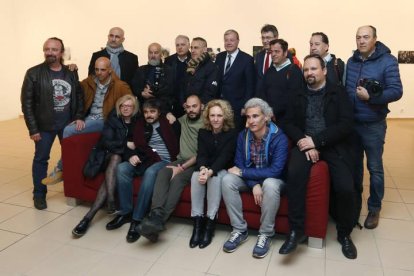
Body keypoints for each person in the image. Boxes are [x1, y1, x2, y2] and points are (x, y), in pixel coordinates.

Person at [279, 54, 358, 259]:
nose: (309, 73)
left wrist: (318, 141)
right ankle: (296, 231)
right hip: (304, 143)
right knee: (295, 175)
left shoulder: (338, 93)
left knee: (345, 187)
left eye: (313, 69)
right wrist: (305, 142)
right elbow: (288, 123)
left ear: (324, 71)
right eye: (306, 70)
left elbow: (346, 124)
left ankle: (344, 234)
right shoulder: (296, 93)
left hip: (332, 145)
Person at [345, 25, 403, 229]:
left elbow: (396, 91)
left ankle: (374, 208)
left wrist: (372, 97)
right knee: (355, 167)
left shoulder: (388, 61)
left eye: (366, 37)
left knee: (375, 168)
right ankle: (355, 204)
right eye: (358, 37)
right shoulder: (351, 62)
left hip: (373, 125)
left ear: (375, 39)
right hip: (352, 125)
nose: (361, 41)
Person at [42, 57, 132, 185]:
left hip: (105, 120)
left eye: (103, 70)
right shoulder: (90, 81)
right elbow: (75, 87)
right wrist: (72, 71)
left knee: (68, 130)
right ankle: (63, 167)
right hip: (89, 118)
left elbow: (130, 102)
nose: (99, 73)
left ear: (110, 70)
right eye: (96, 69)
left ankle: (60, 168)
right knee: (68, 128)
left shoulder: (119, 86)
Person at [21, 37, 83, 210]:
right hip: (44, 126)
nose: (50, 52)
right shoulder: (33, 73)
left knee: (71, 158)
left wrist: (78, 116)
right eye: (47, 49)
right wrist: (33, 128)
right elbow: (27, 104)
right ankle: (39, 194)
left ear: (61, 52)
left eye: (54, 49)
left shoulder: (70, 72)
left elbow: (78, 96)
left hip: (67, 126)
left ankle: (72, 190)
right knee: (41, 159)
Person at [221, 98, 288, 258]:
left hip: (273, 179)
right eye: (248, 117)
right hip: (251, 179)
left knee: (270, 184)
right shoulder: (242, 136)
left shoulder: (279, 138)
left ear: (266, 117)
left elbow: (275, 171)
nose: (251, 121)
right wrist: (254, 185)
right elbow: (238, 165)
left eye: (256, 116)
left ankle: (266, 234)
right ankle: (239, 230)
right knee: (227, 179)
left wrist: (245, 175)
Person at [137, 94, 204, 242]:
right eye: (188, 107)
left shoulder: (207, 124)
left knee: (178, 179)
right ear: (185, 107)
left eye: (195, 106)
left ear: (202, 107)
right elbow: (161, 109)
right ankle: (155, 215)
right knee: (163, 172)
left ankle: (159, 221)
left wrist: (182, 167)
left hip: (196, 163)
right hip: (179, 159)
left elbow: (203, 154)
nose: (191, 110)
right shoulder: (182, 120)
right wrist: (168, 114)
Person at [72, 95, 141, 237]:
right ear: (119, 107)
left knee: (110, 176)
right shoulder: (113, 119)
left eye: (129, 106)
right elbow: (107, 142)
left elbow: (140, 142)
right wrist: (125, 145)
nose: (126, 108)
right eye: (123, 105)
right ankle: (110, 199)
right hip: (106, 156)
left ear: (134, 108)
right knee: (115, 158)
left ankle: (87, 218)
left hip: (127, 158)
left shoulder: (138, 121)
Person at [111, 99, 179, 243]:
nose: (149, 115)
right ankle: (126, 212)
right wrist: (131, 156)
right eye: (146, 112)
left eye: (152, 111)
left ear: (159, 112)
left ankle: (137, 218)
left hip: (164, 160)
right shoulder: (139, 124)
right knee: (122, 168)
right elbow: (130, 145)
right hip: (145, 158)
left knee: (150, 172)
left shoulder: (168, 123)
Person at [189, 100, 237, 249]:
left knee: (214, 179)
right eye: (212, 115)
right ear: (208, 117)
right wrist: (203, 168)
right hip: (207, 167)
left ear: (225, 117)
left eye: (219, 115)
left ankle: (210, 224)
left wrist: (210, 172)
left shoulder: (232, 133)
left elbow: (225, 157)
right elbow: (201, 154)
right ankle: (197, 224)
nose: (216, 119)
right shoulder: (203, 132)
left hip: (222, 169)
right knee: (195, 176)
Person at [215, 30, 255, 129]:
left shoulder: (247, 59)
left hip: (237, 108)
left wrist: (245, 106)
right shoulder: (219, 57)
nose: (228, 43)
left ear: (238, 41)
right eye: (226, 40)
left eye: (232, 40)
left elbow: (250, 86)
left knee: (235, 137)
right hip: (220, 106)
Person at [256, 39, 303, 123]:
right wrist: (267, 111)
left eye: (277, 51)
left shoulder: (294, 70)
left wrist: (274, 111)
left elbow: (293, 97)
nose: (273, 54)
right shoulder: (269, 71)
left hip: (287, 120)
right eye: (272, 52)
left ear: (285, 53)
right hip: (268, 119)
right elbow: (263, 92)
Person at [131, 43, 175, 119]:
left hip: (163, 109)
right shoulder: (141, 70)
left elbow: (170, 89)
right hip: (143, 109)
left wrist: (151, 92)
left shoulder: (169, 70)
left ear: (161, 54)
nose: (153, 55)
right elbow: (134, 87)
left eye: (156, 53)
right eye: (150, 53)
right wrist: (142, 93)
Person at [184, 37, 218, 104]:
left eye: (196, 48)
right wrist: (184, 102)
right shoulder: (189, 64)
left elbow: (210, 91)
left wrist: (198, 104)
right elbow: (183, 87)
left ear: (205, 49)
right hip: (188, 107)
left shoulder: (212, 67)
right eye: (192, 47)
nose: (193, 51)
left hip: (203, 108)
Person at [165, 35, 191, 118]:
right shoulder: (169, 60)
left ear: (189, 45)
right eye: (177, 45)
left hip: (189, 102)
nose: (180, 47)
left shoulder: (195, 60)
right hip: (173, 102)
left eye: (182, 45)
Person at [254, 24, 279, 93]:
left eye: (268, 38)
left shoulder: (284, 56)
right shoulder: (258, 56)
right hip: (259, 99)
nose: (265, 41)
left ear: (276, 37)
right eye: (263, 38)